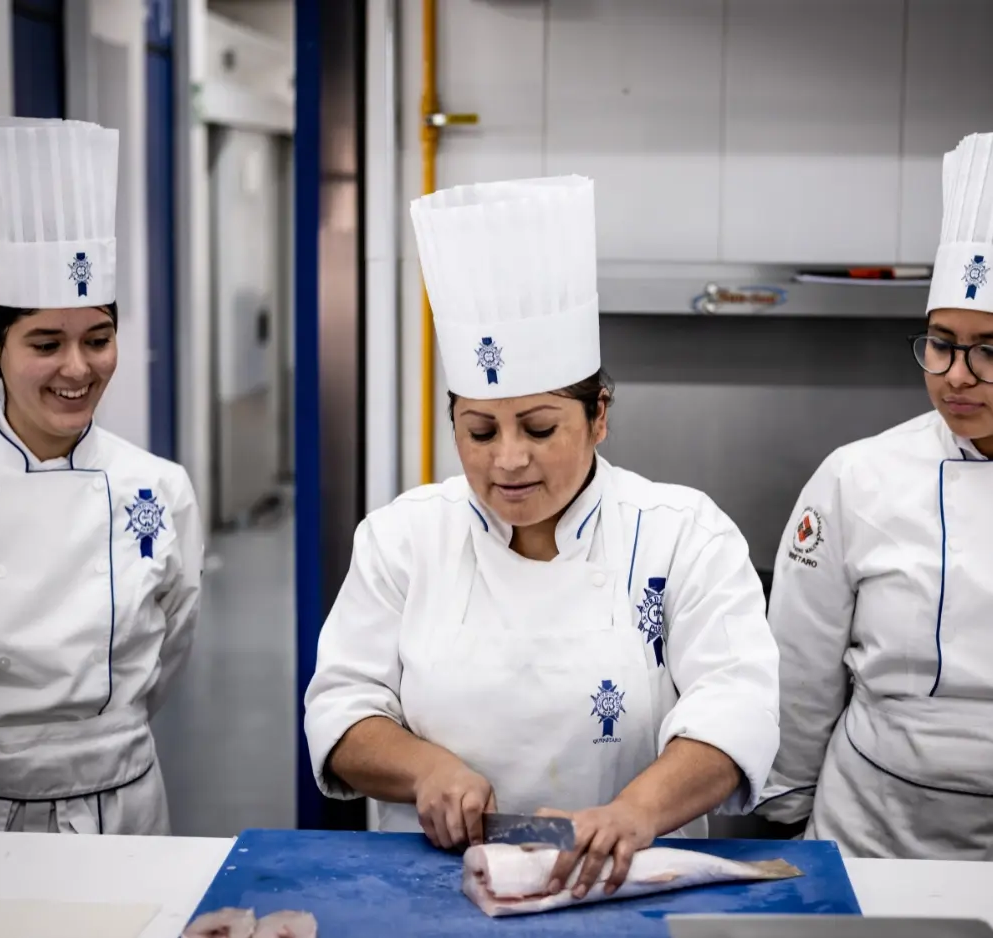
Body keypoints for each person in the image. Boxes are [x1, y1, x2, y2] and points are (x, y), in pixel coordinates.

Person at [304, 175, 779, 897]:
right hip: (431, 883)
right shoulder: (403, 537)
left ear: (598, 418)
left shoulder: (684, 534)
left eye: (539, 428)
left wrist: (633, 812)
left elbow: (735, 706)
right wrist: (424, 769)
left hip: (626, 878)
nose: (507, 460)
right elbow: (341, 711)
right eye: (479, 430)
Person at [757, 132, 993, 864]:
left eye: (991, 350)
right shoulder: (856, 477)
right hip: (872, 818)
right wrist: (787, 806)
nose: (955, 375)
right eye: (939, 342)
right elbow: (799, 663)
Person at [0, 116, 203, 834]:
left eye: (99, 340)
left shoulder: (158, 488)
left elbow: (168, 651)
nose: (78, 369)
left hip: (121, 805)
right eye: (46, 343)